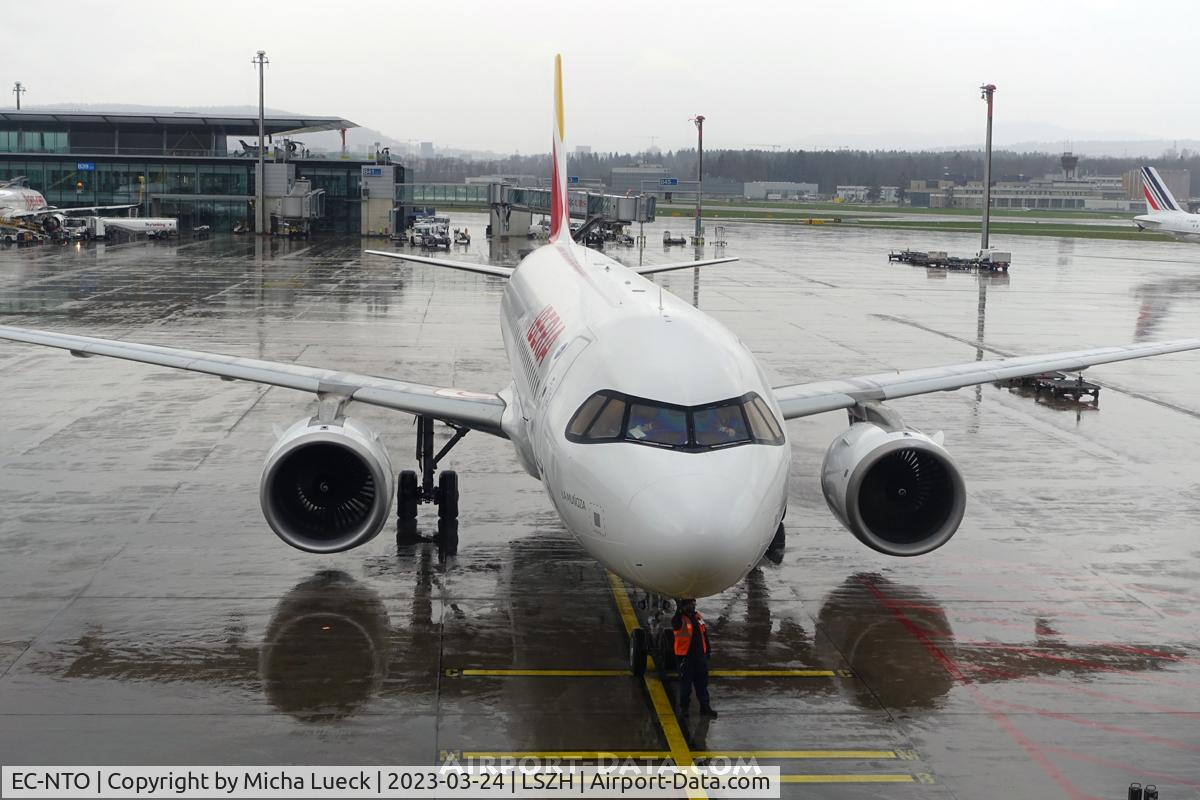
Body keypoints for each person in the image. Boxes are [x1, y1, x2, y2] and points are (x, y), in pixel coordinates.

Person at [672, 598, 716, 718]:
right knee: (686, 686)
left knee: (702, 685)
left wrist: (707, 651)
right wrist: (679, 610)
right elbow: (675, 624)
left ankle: (705, 707)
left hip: (700, 657)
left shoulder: (697, 617)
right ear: (684, 606)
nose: (693, 605)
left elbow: (704, 634)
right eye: (690, 604)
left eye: (693, 603)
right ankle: (684, 708)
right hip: (686, 658)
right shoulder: (679, 619)